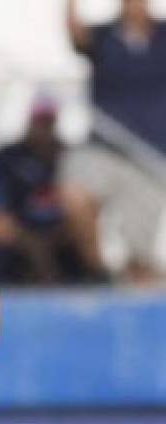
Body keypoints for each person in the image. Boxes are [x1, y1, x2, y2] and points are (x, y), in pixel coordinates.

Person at [64, 0, 166, 280]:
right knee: (75, 196)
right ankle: (99, 273)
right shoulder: (104, 35)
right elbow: (76, 36)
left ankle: (132, 278)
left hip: (149, 159)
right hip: (104, 146)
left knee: (140, 259)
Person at [0, 97, 106, 284]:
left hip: (63, 245)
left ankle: (99, 276)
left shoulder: (70, 157)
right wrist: (31, 244)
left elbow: (90, 208)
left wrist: (51, 242)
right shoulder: (6, 159)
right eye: (39, 122)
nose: (44, 129)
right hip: (18, 245)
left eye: (48, 122)